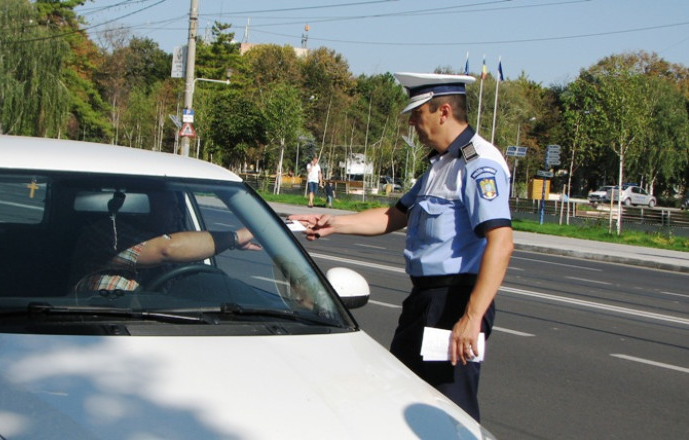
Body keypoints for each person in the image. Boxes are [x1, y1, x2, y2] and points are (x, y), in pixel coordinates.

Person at [288, 73, 513, 421]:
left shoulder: (478, 164)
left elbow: (502, 241)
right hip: (426, 300)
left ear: (444, 111)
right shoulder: (440, 163)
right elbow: (395, 215)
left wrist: (471, 317)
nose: (411, 122)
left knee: (449, 408)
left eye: (417, 112)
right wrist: (332, 223)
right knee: (404, 394)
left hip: (454, 301)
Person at [71, 192, 260, 293]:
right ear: (141, 204)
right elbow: (166, 249)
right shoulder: (106, 232)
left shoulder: (180, 241)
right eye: (171, 206)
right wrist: (236, 237)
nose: (178, 213)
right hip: (98, 326)